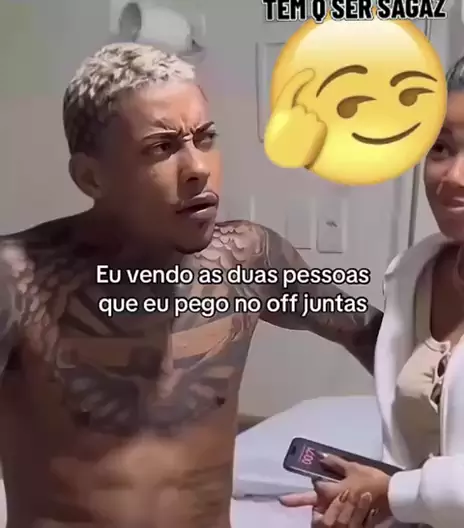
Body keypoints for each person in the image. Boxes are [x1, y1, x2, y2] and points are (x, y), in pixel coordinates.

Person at [0, 43, 383, 528]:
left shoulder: (248, 258)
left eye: (205, 138)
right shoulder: (18, 278)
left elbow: (376, 335)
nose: (198, 168)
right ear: (91, 178)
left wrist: (422, 471)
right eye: (161, 148)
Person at [280, 56, 464, 528]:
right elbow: (419, 457)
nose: (453, 177)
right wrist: (375, 507)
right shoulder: (414, 277)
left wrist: (394, 494)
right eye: (441, 148)